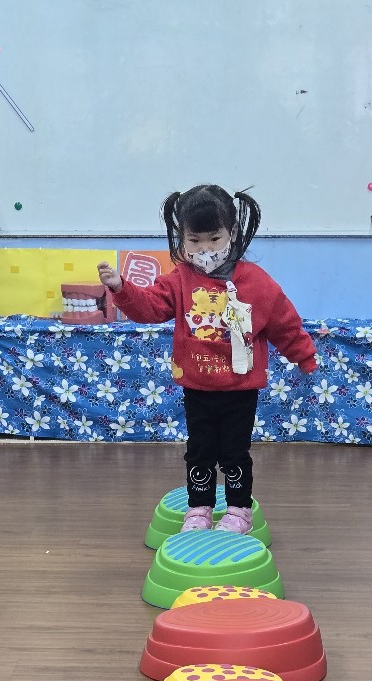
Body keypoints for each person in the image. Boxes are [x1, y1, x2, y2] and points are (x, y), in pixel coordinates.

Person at [98, 184, 316, 534]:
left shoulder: (257, 282)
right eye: (195, 240)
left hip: (240, 388)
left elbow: (285, 323)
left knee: (234, 453)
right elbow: (150, 307)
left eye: (214, 239)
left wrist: (305, 357)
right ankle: (199, 509)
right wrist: (121, 287)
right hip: (197, 387)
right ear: (182, 238)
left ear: (233, 233)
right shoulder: (180, 280)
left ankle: (238, 511)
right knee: (199, 452)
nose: (205, 249)